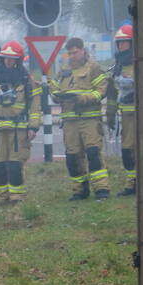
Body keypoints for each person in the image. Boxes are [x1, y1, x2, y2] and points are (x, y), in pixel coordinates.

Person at [0, 40, 40, 205]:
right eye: (5, 58)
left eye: (11, 59)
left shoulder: (26, 79)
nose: (8, 61)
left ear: (18, 60)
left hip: (18, 131)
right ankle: (1, 198)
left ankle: (16, 198)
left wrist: (33, 127)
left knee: (15, 165)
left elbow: (35, 105)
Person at [51, 37, 110, 201]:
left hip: (89, 120)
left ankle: (102, 189)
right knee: (72, 156)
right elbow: (54, 86)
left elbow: (101, 91)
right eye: (69, 53)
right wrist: (56, 96)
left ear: (83, 51)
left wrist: (83, 98)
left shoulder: (94, 68)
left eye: (75, 52)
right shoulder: (63, 70)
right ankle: (79, 190)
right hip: (70, 122)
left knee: (93, 153)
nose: (72, 56)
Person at [106, 25, 137, 196]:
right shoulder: (118, 65)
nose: (120, 46)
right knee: (127, 151)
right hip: (126, 116)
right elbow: (112, 92)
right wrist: (110, 114)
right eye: (119, 43)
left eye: (124, 43)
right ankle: (131, 183)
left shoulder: (141, 62)